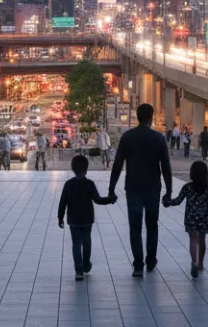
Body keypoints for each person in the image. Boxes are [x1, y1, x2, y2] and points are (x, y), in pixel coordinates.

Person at [108, 104, 173, 277]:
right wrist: (169, 191)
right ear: (151, 117)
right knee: (152, 226)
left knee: (135, 228)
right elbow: (166, 167)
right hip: (153, 189)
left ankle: (138, 265)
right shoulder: (158, 138)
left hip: (133, 189)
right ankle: (151, 261)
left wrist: (111, 189)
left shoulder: (127, 137)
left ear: (137, 117)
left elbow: (118, 164)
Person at [58, 154, 115, 282]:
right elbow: (98, 200)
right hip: (87, 219)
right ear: (86, 169)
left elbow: (63, 202)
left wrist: (60, 217)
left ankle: (78, 269)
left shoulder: (69, 184)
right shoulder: (89, 184)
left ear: (73, 169)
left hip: (73, 219)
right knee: (87, 242)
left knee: (76, 244)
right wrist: (110, 199)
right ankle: (86, 264)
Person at [165, 159, 208, 278]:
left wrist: (168, 202)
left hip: (191, 218)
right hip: (204, 219)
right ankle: (200, 263)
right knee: (202, 240)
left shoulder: (187, 187)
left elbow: (178, 201)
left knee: (193, 240)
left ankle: (194, 261)